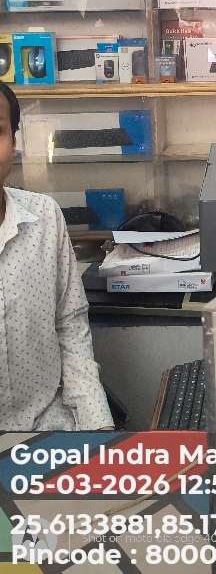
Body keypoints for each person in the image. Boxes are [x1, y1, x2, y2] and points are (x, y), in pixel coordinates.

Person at [0, 81, 113, 431]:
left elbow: (70, 326)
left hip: (48, 426)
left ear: (14, 142)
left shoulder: (45, 217)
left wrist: (99, 427)